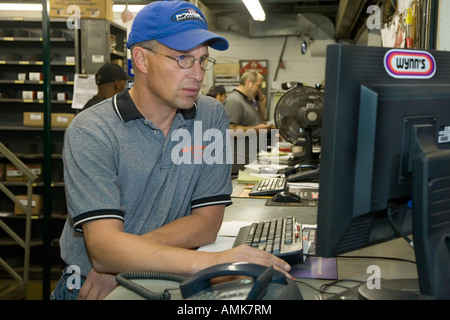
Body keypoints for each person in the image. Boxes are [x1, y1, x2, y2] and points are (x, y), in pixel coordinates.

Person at [52, 0, 290, 300]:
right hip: (92, 289)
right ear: (141, 59)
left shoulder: (210, 116)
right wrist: (211, 262)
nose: (198, 74)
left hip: (164, 279)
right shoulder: (92, 131)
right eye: (183, 59)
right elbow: (103, 247)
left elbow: (207, 222)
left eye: (202, 60)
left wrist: (124, 260)